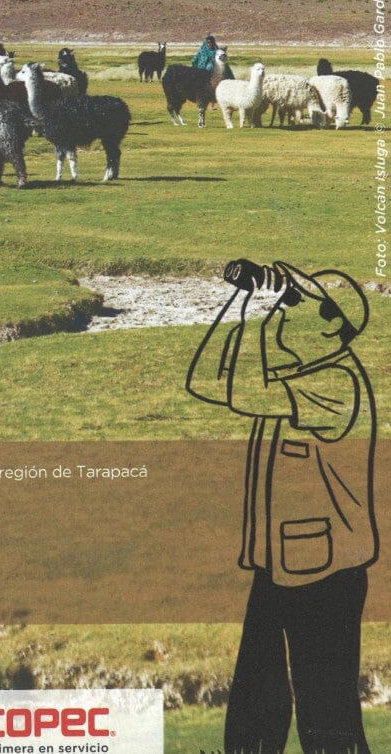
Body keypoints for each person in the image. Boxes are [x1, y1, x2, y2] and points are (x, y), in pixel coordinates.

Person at [186, 259, 378, 754]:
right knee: (257, 695)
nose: (283, 310)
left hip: (326, 571)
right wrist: (244, 301)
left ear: (331, 325)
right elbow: (207, 381)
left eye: (294, 302)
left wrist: (260, 309)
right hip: (278, 562)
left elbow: (241, 389)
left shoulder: (337, 384)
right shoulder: (294, 373)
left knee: (326, 708)